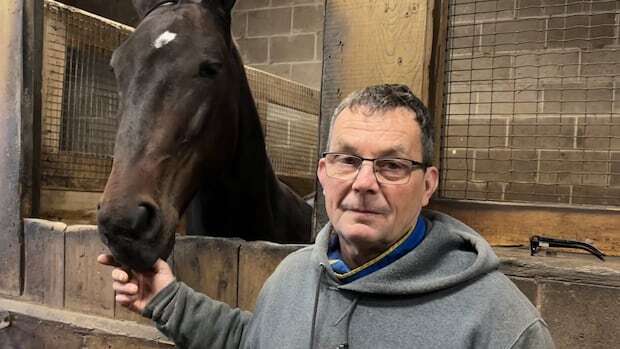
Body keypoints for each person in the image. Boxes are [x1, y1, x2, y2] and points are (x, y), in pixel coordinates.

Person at [98, 84, 555, 348]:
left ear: (428, 184)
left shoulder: (502, 326)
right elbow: (256, 341)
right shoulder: (295, 274)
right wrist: (166, 298)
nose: (363, 182)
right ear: (323, 172)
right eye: (347, 160)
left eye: (392, 165)